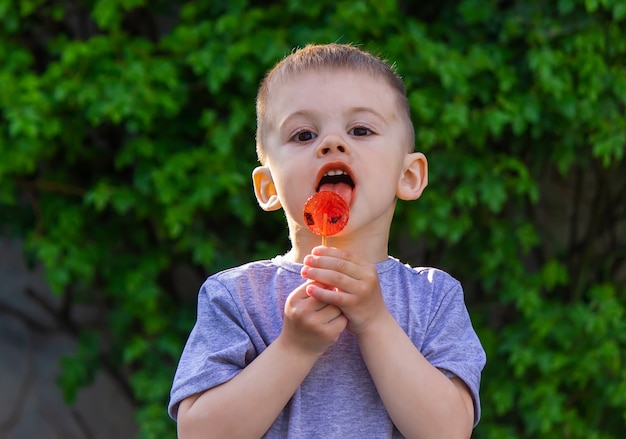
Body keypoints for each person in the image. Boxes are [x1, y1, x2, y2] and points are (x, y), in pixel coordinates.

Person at [169, 43, 486, 438]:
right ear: (268, 186)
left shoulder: (434, 297)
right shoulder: (236, 296)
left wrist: (374, 321)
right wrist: (293, 348)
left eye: (360, 130)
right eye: (303, 134)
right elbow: (198, 433)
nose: (332, 143)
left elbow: (448, 431)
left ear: (409, 175)